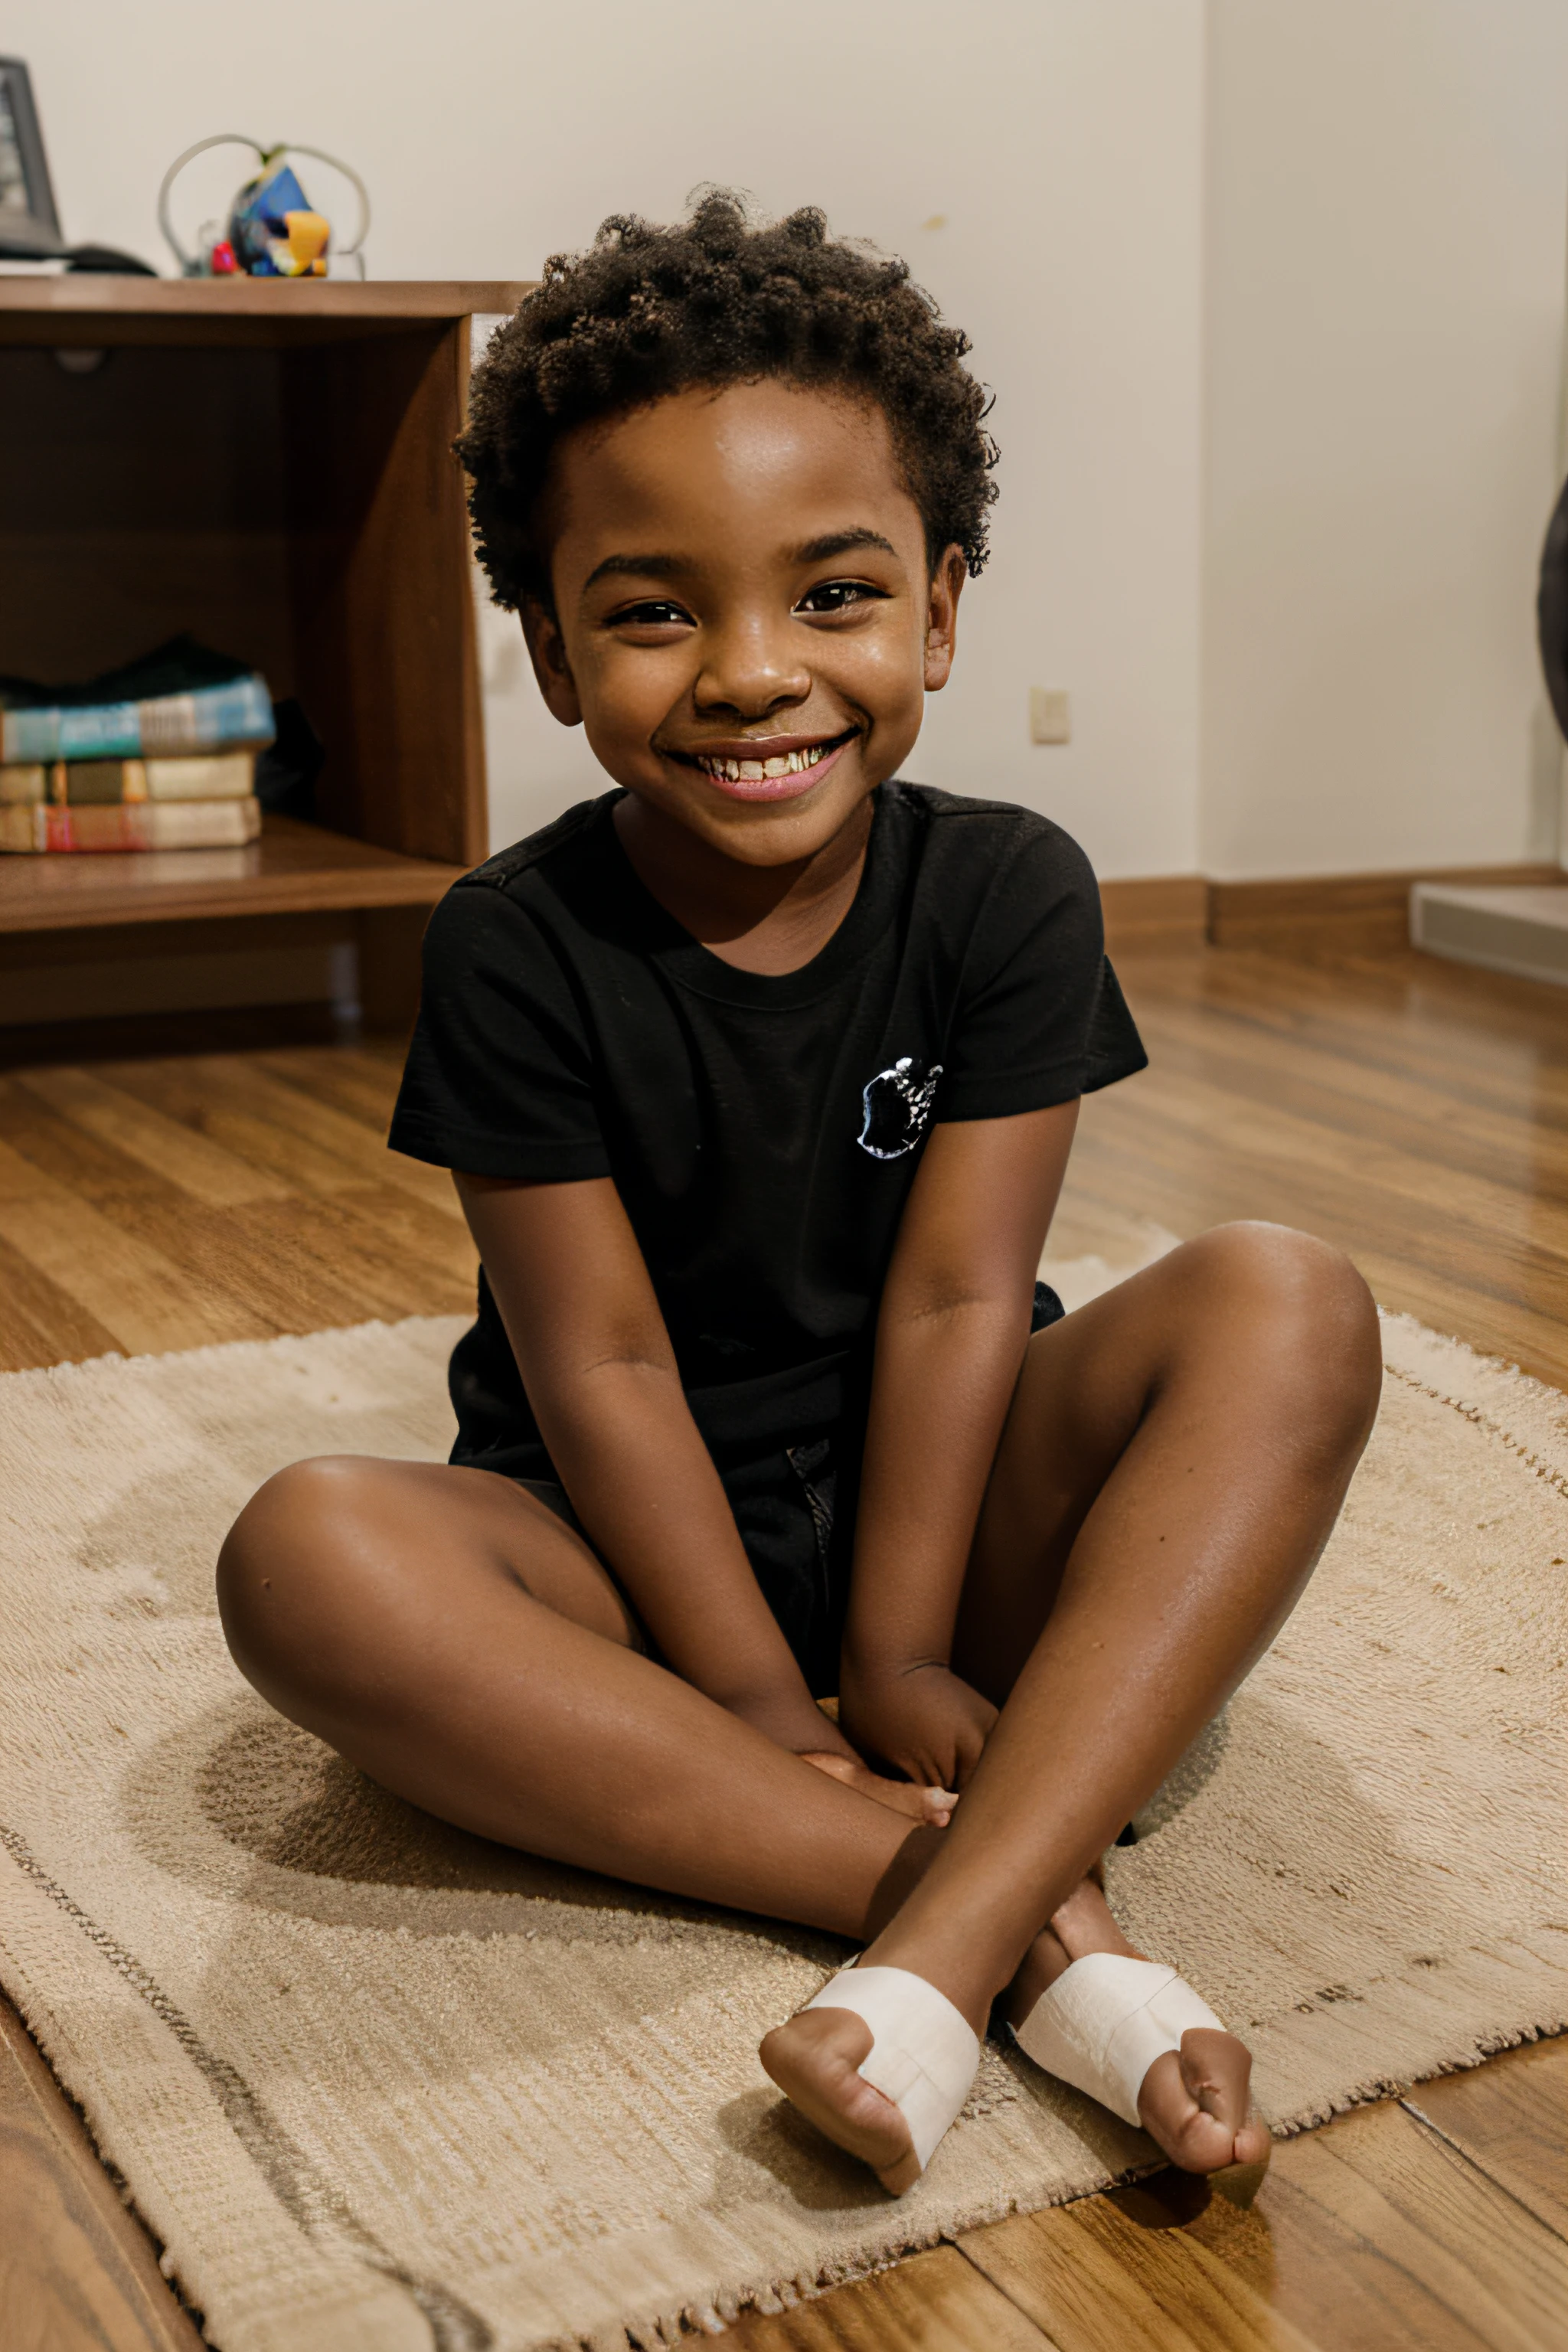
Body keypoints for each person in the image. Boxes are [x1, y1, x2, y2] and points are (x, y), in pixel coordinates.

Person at [217, 194, 1382, 2199]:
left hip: (951, 1506)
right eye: (658, 611)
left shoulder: (1010, 890)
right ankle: (1033, 1935)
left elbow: (957, 1308)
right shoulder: (509, 944)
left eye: (830, 596)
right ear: (554, 652)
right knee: (303, 1553)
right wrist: (764, 1702)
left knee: (1291, 1300)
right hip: (627, 1559)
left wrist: (906, 1653)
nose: (755, 674)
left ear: (936, 611)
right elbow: (594, 1358)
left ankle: (923, 1956)